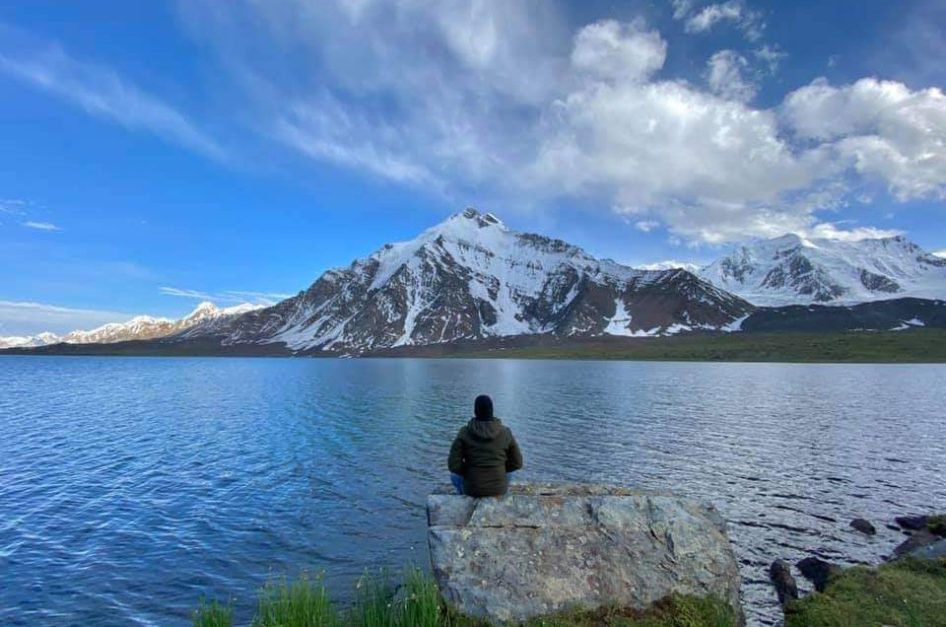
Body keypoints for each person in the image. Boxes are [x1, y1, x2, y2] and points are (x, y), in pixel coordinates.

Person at [448, 394, 523, 497]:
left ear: (475, 411)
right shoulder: (505, 432)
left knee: (453, 476)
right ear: (492, 411)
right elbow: (517, 463)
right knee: (509, 473)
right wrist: (500, 469)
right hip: (498, 488)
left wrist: (468, 471)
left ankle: (462, 497)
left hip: (472, 488)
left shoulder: (464, 432)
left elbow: (453, 465)